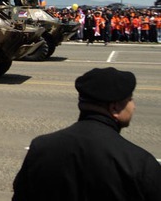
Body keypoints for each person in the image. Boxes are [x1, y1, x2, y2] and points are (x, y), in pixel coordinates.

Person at [12, 67, 161, 201]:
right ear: (114, 108)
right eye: (130, 99)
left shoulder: (41, 148)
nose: (133, 106)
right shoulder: (140, 164)